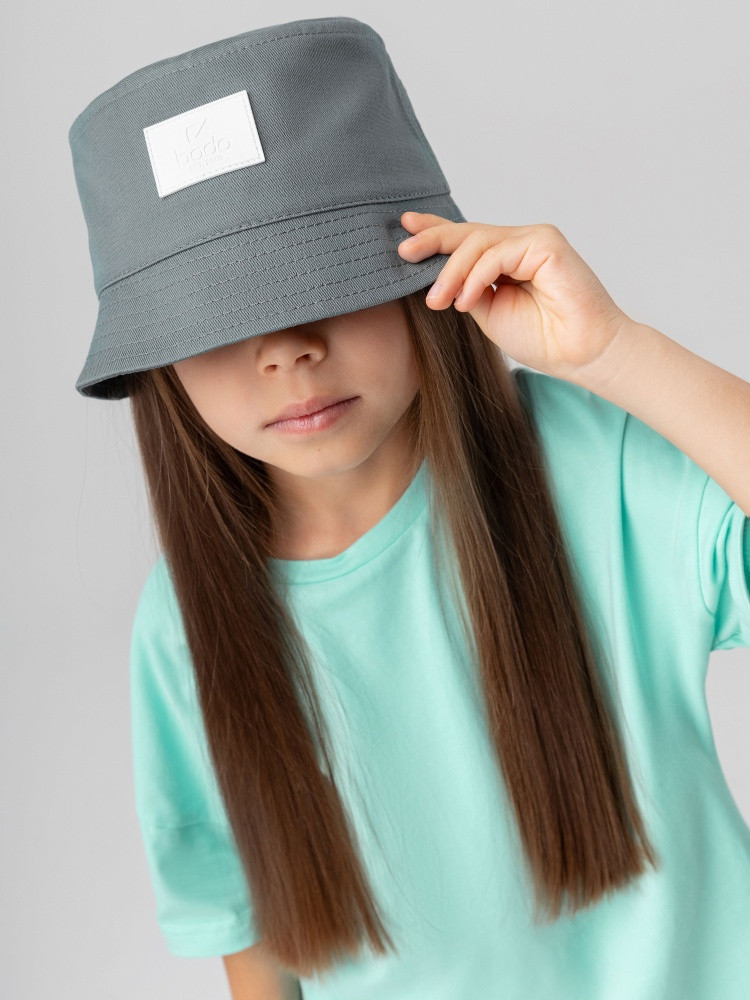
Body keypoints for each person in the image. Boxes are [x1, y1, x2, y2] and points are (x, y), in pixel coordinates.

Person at [68, 16, 750, 1000]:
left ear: (427, 266)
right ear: (159, 366)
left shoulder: (592, 466)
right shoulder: (186, 626)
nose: (286, 351)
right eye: (217, 318)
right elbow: (251, 934)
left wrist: (613, 352)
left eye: (326, 282)